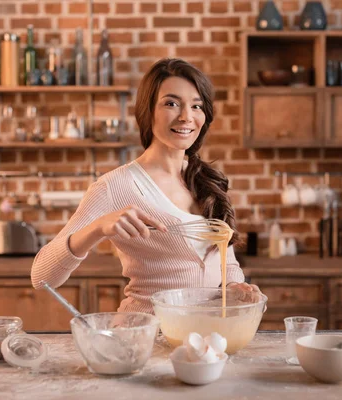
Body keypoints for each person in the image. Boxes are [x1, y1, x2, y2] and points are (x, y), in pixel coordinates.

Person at [31, 58, 262, 314]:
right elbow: (41, 277)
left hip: (200, 343)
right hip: (143, 340)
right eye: (171, 103)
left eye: (196, 106)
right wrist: (97, 229)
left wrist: (236, 286)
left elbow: (225, 260)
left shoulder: (205, 181)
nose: (186, 117)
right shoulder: (116, 187)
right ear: (148, 110)